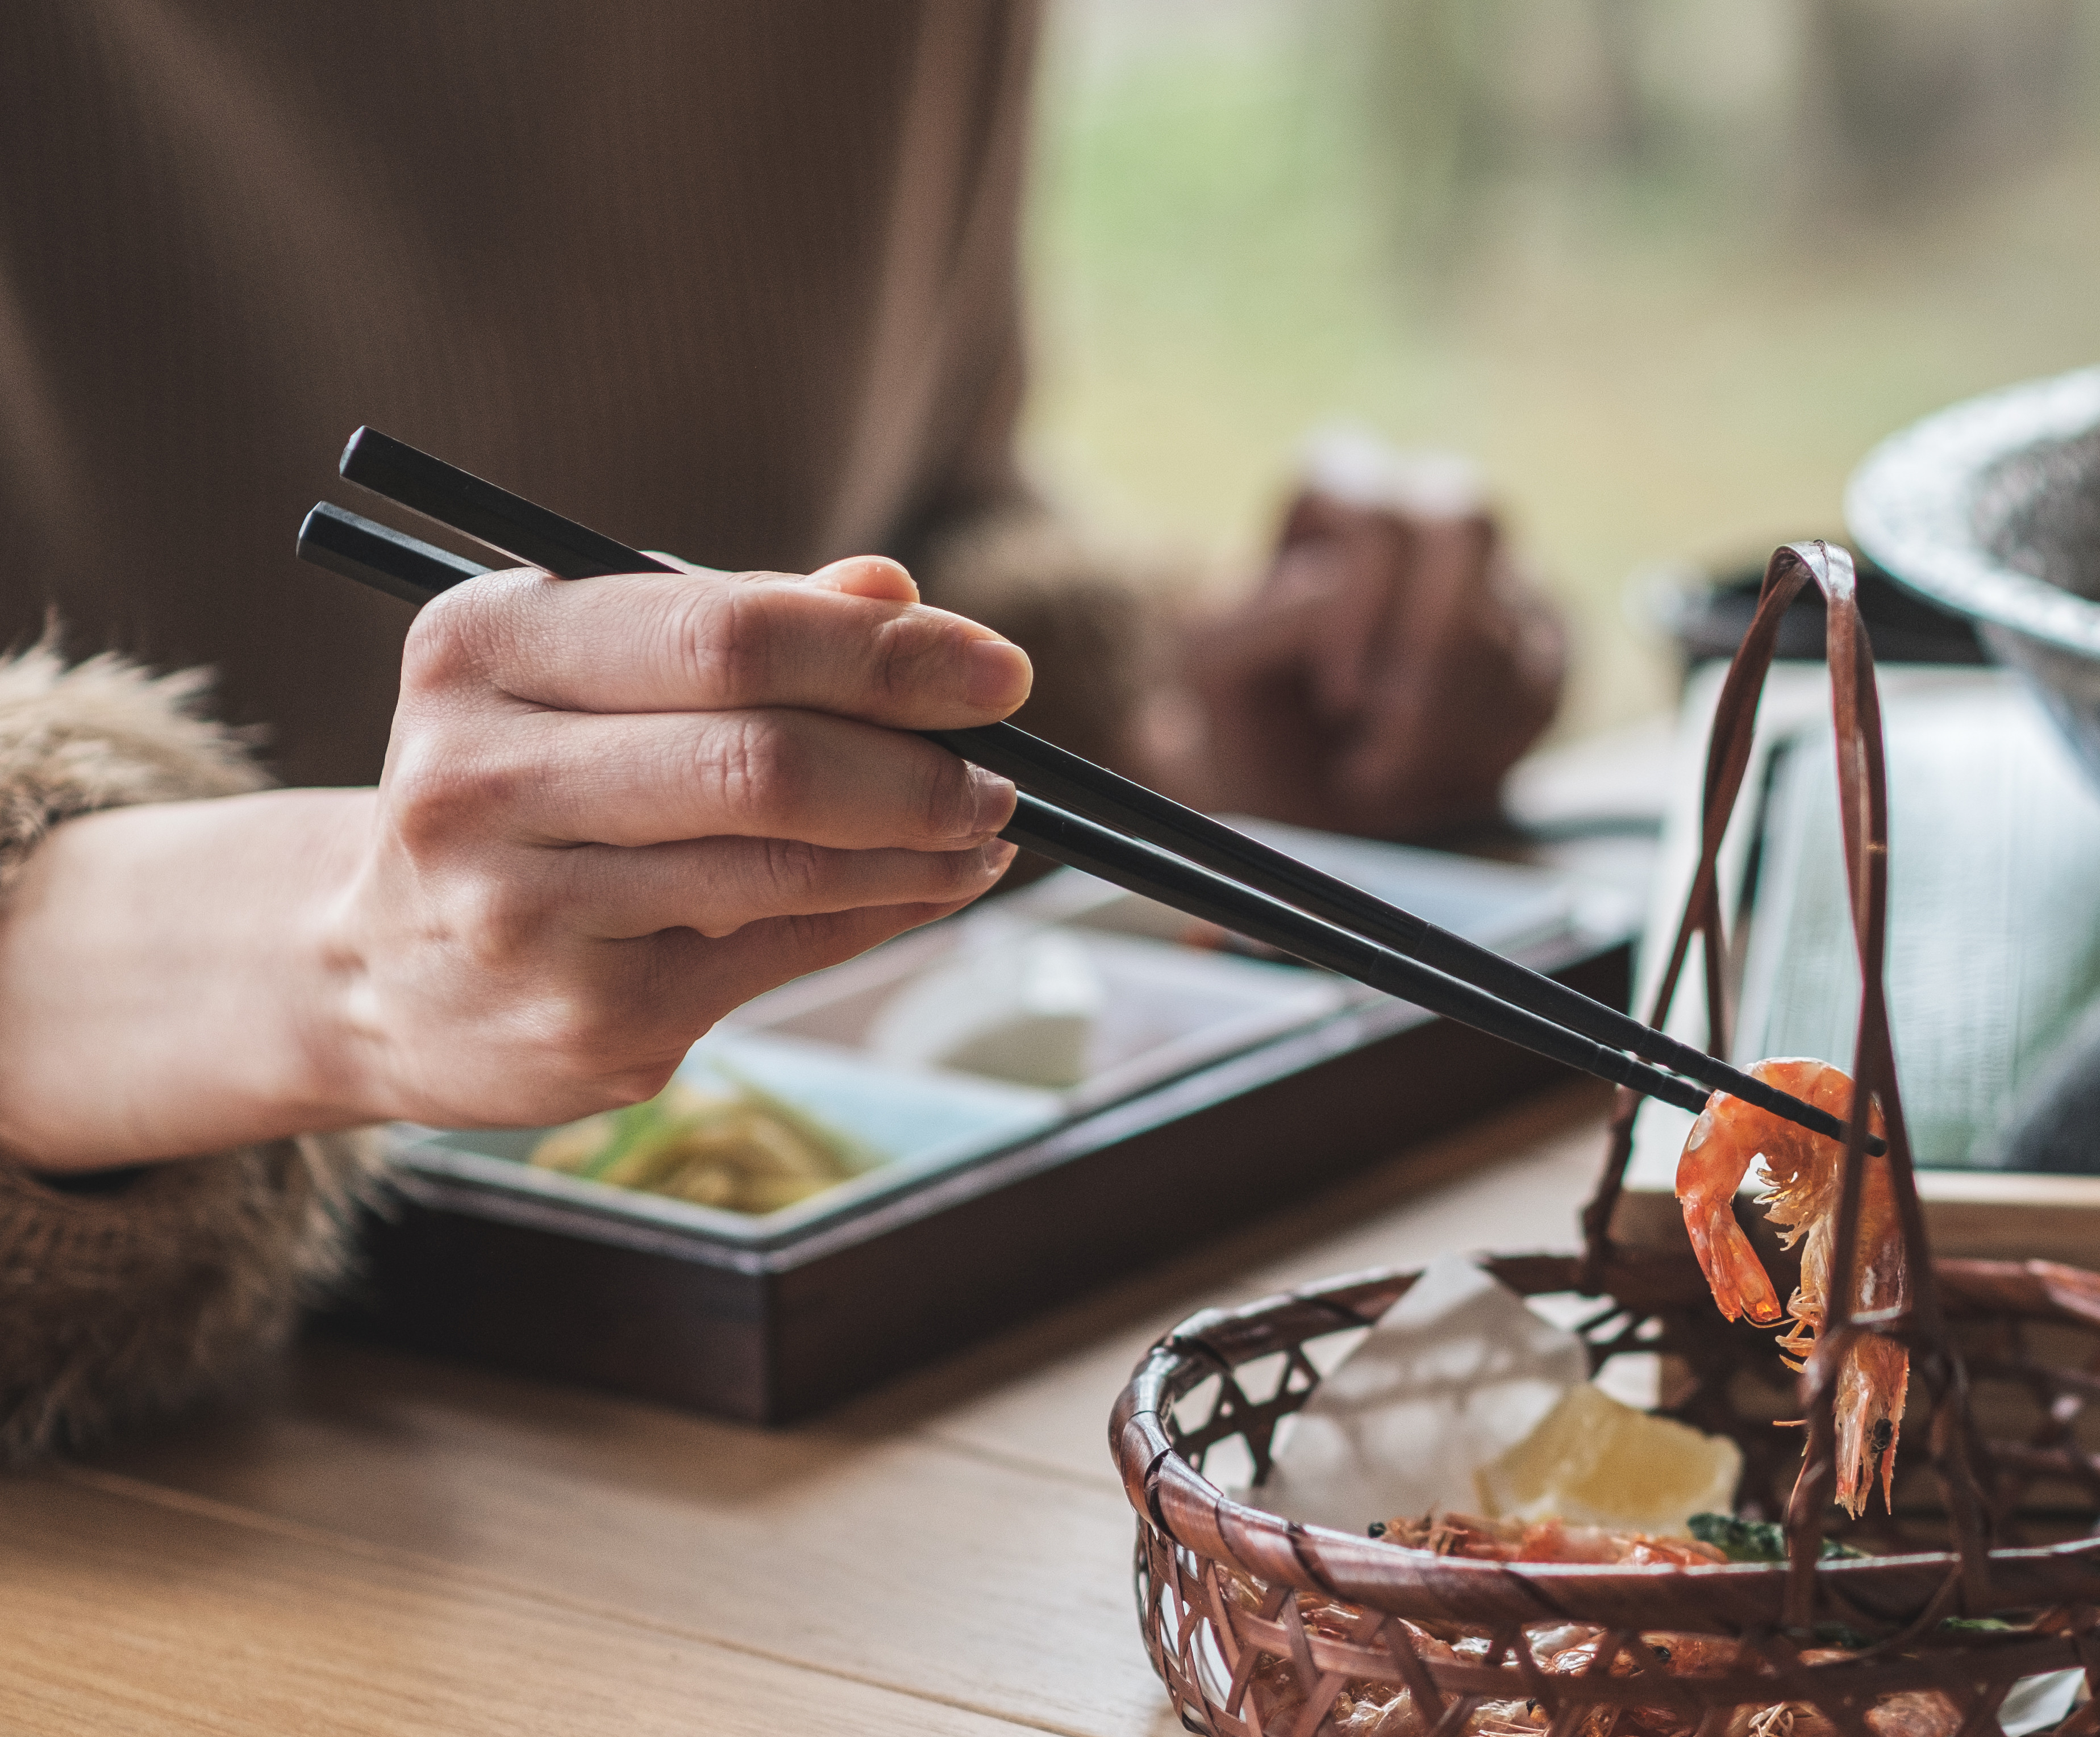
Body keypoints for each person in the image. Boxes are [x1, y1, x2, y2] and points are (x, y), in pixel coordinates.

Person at [0, 2, 1564, 1459]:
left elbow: (913, 511)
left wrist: (1180, 725)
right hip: (207, 1498)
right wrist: (341, 950)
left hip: (813, 1398)